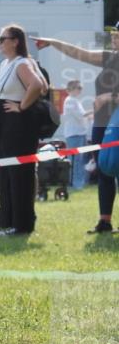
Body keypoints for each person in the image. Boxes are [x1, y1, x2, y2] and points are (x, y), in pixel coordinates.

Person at [36, 25, 119, 232]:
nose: (114, 37)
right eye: (113, 35)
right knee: (104, 171)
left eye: (118, 35)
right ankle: (104, 221)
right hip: (103, 124)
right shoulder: (110, 57)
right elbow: (79, 53)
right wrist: (54, 42)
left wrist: (112, 98)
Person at [0, 24, 48, 236]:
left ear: (15, 41)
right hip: (4, 124)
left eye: (2, 38)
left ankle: (22, 225)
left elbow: (38, 85)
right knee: (6, 174)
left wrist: (22, 106)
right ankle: (8, 222)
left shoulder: (23, 63)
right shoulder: (7, 63)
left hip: (18, 125)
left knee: (19, 175)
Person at [60, 80, 93, 190]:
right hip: (74, 134)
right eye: (78, 88)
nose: (80, 90)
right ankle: (75, 183)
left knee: (80, 159)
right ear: (71, 89)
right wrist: (95, 109)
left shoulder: (74, 101)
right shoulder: (70, 101)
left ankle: (79, 182)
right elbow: (80, 115)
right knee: (75, 160)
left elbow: (82, 116)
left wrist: (90, 115)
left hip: (79, 133)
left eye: (80, 88)